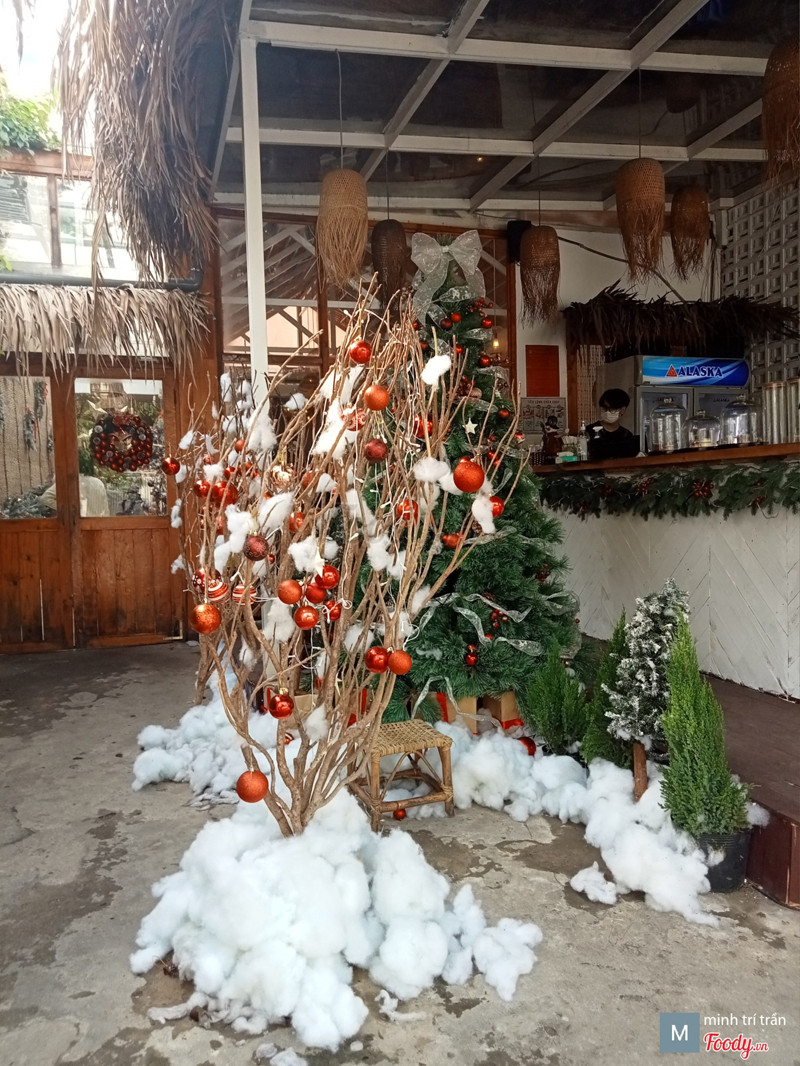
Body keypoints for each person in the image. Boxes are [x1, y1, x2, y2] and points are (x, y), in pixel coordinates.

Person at [586, 388, 639, 460]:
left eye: (612, 409)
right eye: (604, 408)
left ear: (622, 410)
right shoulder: (589, 432)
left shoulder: (626, 435)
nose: (607, 412)